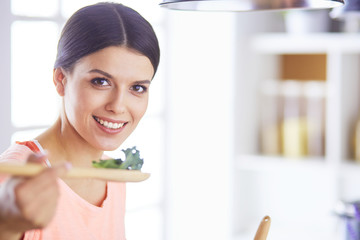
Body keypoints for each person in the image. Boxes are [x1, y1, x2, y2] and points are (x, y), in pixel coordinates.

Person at [0, 2, 160, 240]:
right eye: (101, 82)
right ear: (61, 79)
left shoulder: (114, 175)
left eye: (137, 87)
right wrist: (7, 226)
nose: (118, 106)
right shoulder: (17, 175)